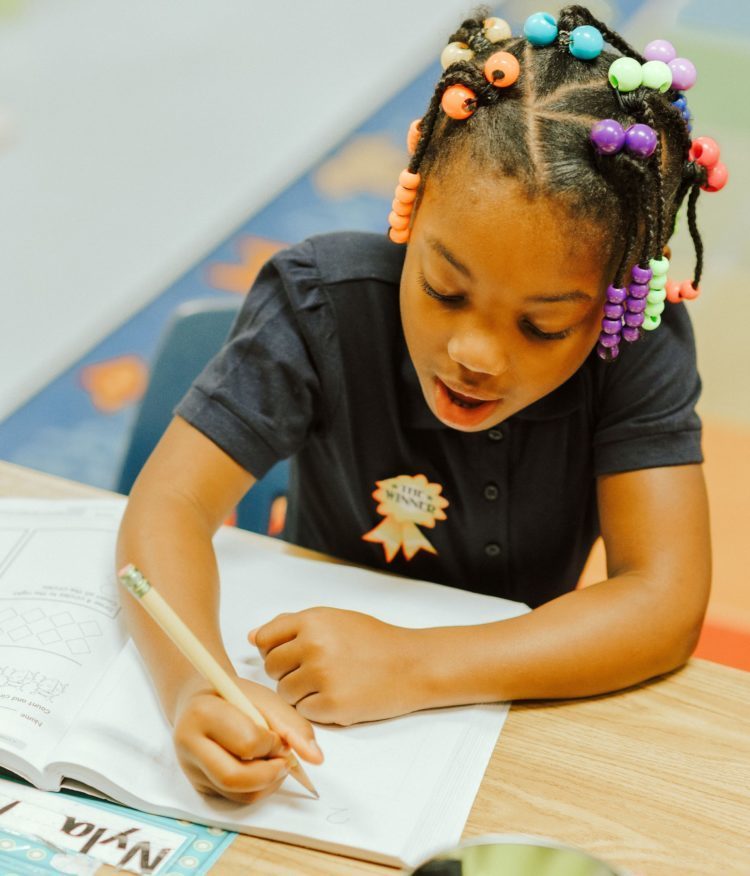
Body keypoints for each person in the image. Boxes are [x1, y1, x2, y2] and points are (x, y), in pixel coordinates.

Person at [117, 5, 726, 803]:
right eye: (444, 288)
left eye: (543, 326)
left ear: (611, 302)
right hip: (315, 716)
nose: (476, 355)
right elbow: (166, 506)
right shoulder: (319, 307)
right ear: (413, 204)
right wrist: (195, 688)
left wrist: (414, 664)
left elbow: (665, 600)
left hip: (506, 729)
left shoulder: (633, 345)